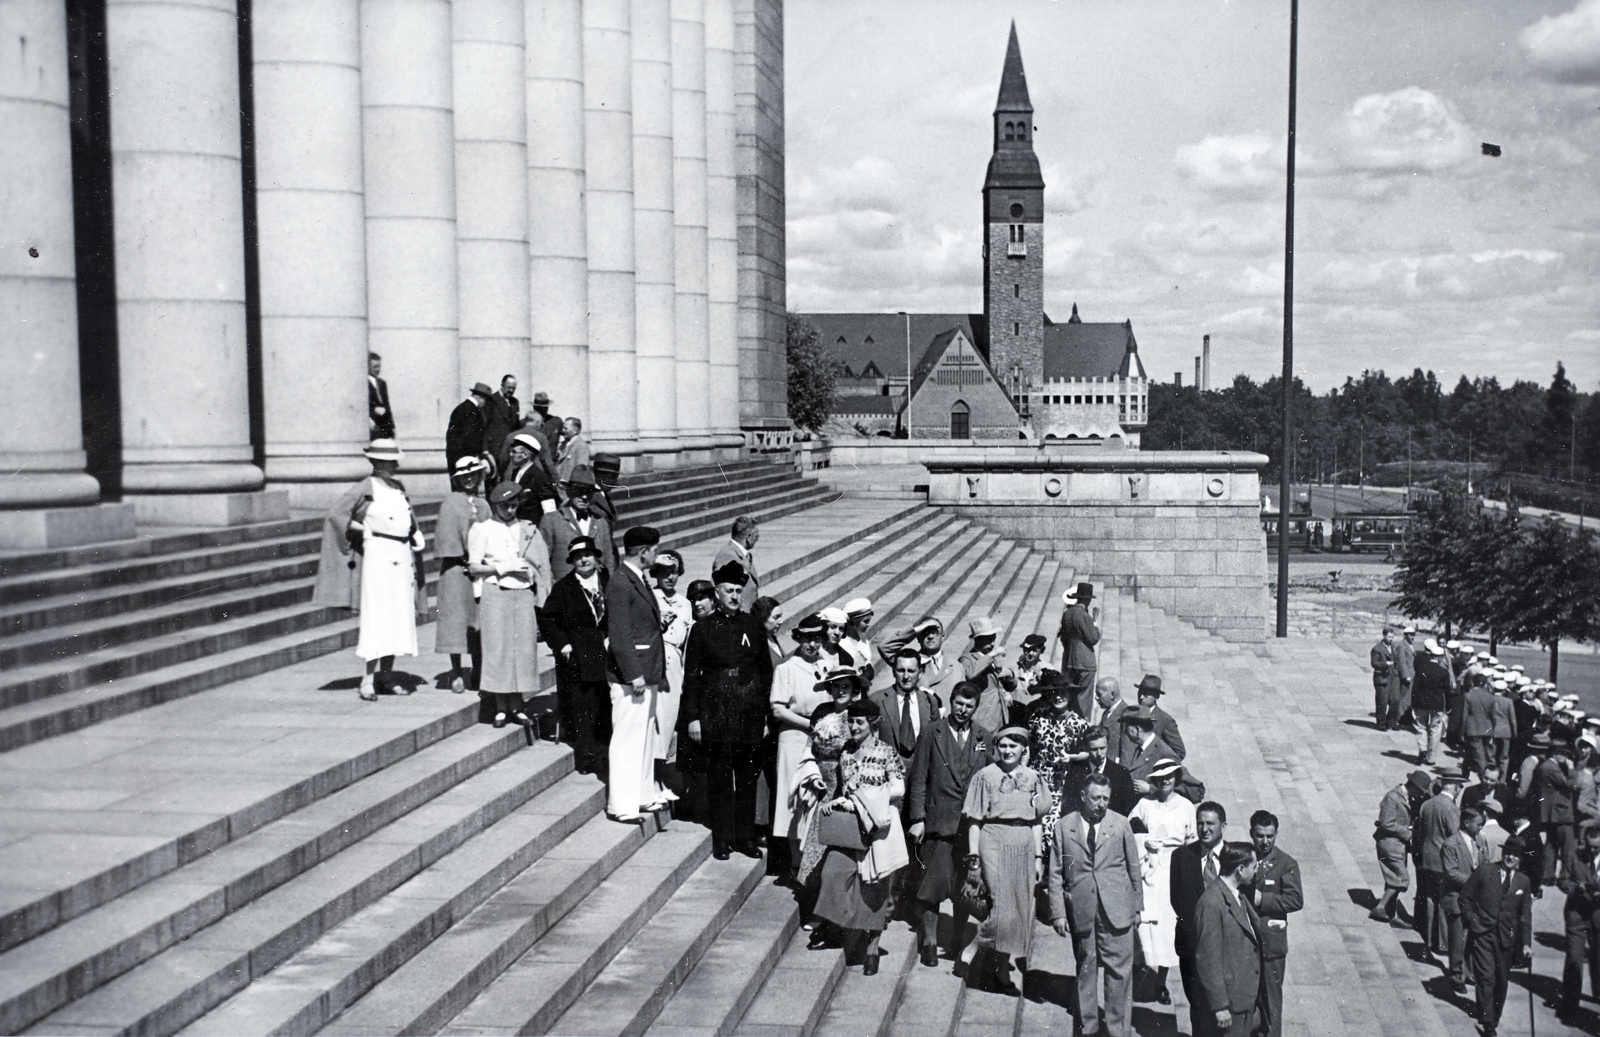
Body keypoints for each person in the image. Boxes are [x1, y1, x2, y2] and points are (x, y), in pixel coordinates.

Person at [312, 439, 426, 701]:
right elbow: (336, 514)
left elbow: (407, 516)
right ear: (376, 462)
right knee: (378, 616)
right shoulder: (365, 487)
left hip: (401, 554)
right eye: (388, 461)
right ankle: (368, 679)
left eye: (394, 460)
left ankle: (387, 674)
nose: (393, 465)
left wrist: (415, 533)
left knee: (398, 615)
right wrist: (363, 529)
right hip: (377, 556)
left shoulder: (398, 487)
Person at [680, 560, 775, 858]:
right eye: (728, 591)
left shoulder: (753, 626)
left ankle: (745, 836)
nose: (735, 596)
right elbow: (691, 678)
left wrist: (764, 718)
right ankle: (722, 837)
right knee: (720, 779)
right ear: (716, 593)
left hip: (748, 714)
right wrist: (693, 718)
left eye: (738, 590)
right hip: (716, 713)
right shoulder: (702, 628)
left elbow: (764, 675)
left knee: (747, 778)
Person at [810, 698, 908, 976]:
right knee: (833, 872)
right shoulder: (846, 752)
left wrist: (865, 799)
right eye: (850, 721)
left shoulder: (887, 752)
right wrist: (838, 802)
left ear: (873, 724)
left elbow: (899, 787)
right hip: (851, 828)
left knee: (875, 885)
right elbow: (844, 790)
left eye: (859, 722)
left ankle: (873, 946)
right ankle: (837, 927)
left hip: (879, 826)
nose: (853, 726)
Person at [1048, 772, 1143, 1035]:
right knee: (1085, 971)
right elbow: (1056, 872)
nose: (1102, 803)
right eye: (1096, 798)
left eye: (1106, 798)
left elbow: (1134, 867)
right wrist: (1058, 912)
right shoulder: (1064, 826)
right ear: (1083, 797)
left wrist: (1137, 908)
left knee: (1119, 975)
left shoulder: (1121, 824)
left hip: (1118, 910)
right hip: (1082, 909)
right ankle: (1087, 1028)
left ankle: (1117, 1031)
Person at [908, 681, 991, 967]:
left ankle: (956, 937)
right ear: (951, 701)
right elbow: (918, 778)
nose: (963, 710)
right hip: (938, 823)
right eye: (959, 703)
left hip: (969, 827)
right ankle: (929, 940)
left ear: (975, 708)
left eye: (969, 706)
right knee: (933, 885)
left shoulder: (984, 736)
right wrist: (918, 818)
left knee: (962, 886)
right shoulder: (932, 732)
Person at [966, 724, 1051, 996]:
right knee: (1002, 904)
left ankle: (1002, 970)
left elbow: (1037, 820)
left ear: (1024, 748)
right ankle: (975, 946)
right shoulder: (984, 776)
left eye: (1013, 745)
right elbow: (975, 820)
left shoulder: (1034, 777)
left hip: (1024, 843)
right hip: (993, 838)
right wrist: (974, 857)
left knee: (1019, 910)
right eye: (1003, 745)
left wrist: (1038, 857)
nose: (1007, 750)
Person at [467, 482, 551, 738]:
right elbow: (473, 567)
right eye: (506, 505)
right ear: (495, 505)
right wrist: (503, 569)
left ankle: (518, 704)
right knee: (498, 648)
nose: (511, 509)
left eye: (514, 504)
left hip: (523, 594)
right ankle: (501, 706)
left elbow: (540, 561)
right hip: (496, 593)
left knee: (522, 649)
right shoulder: (482, 529)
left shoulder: (526, 528)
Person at [605, 525, 676, 823]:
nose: (656, 555)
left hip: (647, 671)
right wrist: (633, 673)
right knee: (627, 740)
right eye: (655, 550)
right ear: (644, 551)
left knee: (645, 739)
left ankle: (643, 795)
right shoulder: (621, 582)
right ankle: (621, 805)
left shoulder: (635, 578)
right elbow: (619, 634)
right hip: (631, 677)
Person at [1128, 760, 1196, 1006]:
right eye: (1160, 777)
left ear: (1176, 779)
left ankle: (1161, 982)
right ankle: (1138, 978)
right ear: (1154, 782)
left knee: (1168, 928)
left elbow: (1191, 843)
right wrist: (1144, 841)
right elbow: (1130, 830)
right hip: (1148, 867)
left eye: (1170, 777)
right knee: (1144, 925)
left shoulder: (1186, 807)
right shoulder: (1145, 805)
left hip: (1174, 871)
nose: (1165, 781)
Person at [542, 535, 612, 775]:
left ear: (596, 558)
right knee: (584, 710)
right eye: (578, 557)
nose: (584, 560)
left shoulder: (606, 581)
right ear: (572, 561)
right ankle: (588, 757)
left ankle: (606, 754)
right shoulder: (564, 588)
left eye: (588, 556)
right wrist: (563, 645)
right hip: (580, 659)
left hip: (607, 655)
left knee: (605, 708)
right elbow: (547, 619)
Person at [770, 615, 833, 864]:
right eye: (807, 640)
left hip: (823, 739)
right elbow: (778, 708)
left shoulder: (828, 664)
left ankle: (814, 859)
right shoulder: (786, 668)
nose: (812, 645)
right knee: (794, 799)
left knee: (817, 796)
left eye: (817, 639)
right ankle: (796, 861)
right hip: (795, 737)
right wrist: (810, 724)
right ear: (799, 640)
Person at [1459, 836, 1533, 1037]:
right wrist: (1472, 920)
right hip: (1482, 933)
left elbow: (1525, 915)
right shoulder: (1485, 871)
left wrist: (1526, 943)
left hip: (1507, 935)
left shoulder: (1523, 882)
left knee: (1501, 980)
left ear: (1520, 859)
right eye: (1508, 853)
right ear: (1502, 853)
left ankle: (1494, 1015)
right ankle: (1487, 1021)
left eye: (1515, 855)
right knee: (1486, 977)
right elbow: (1465, 897)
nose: (1510, 857)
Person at [1193, 841, 1264, 1037]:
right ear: (1240, 869)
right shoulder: (1212, 903)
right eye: (1254, 866)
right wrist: (1219, 1006)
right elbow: (1208, 958)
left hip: (1242, 1000)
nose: (1256, 871)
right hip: (1229, 1006)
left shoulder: (1237, 895)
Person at [1172, 801, 1228, 1037]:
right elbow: (1177, 899)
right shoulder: (1182, 856)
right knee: (1199, 1010)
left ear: (1223, 826)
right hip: (1193, 946)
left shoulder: (1236, 857)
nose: (1204, 828)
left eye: (1210, 823)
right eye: (1200, 823)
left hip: (1227, 949)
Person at [1244, 810, 1302, 1037]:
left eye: (1270, 836)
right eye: (1260, 836)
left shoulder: (1286, 863)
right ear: (1252, 834)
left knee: (1271, 1001)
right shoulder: (1244, 857)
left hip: (1271, 944)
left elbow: (1295, 899)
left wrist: (1263, 900)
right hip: (1246, 940)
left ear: (1276, 834)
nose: (1265, 841)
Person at [434, 456, 488, 694]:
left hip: (479, 569)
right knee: (455, 621)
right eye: (465, 476)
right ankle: (456, 672)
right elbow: (446, 537)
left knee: (478, 621)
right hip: (456, 568)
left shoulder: (484, 504)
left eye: (473, 475)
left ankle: (477, 669)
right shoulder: (451, 503)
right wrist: (463, 554)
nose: (469, 479)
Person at [1027, 671, 1091, 850]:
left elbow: (1089, 753)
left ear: (1069, 695)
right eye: (1054, 693)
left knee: (1052, 828)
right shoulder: (1039, 717)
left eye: (1062, 692)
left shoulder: (1079, 723)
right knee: (1034, 823)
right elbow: (1029, 745)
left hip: (1060, 783)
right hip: (1037, 779)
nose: (1058, 697)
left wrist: (1070, 757)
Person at [1442, 804, 1493, 996]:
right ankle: (1456, 976)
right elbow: (1451, 873)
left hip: (1474, 902)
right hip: (1455, 899)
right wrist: (1475, 883)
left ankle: (1468, 972)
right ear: (1467, 822)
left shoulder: (1479, 841)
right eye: (1479, 825)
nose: (1481, 828)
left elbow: (1485, 863)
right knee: (1457, 939)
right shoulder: (1450, 844)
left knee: (1472, 937)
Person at [1370, 770, 1431, 922]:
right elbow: (1386, 823)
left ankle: (1391, 913)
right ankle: (1380, 907)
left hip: (1397, 845)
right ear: (1413, 786)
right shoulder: (1392, 798)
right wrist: (1408, 833)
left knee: (1393, 878)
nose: (1421, 795)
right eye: (1420, 791)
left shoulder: (1406, 797)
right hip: (1389, 844)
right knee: (1401, 879)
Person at [542, 465, 617, 581]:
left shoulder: (600, 522)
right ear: (569, 491)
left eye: (589, 492)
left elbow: (609, 560)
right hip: (564, 592)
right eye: (579, 491)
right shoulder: (551, 521)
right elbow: (542, 561)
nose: (584, 497)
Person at [653, 550, 692, 763]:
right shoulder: (650, 597)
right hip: (655, 659)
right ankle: (653, 777)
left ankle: (663, 773)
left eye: (675, 572)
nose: (670, 577)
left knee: (670, 717)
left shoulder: (684, 603)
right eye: (665, 572)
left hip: (676, 663)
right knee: (654, 719)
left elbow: (686, 641)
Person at [1558, 819, 1600, 1018]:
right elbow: (1562, 880)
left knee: (1598, 960)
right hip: (1577, 916)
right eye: (1590, 847)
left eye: (1597, 848)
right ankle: (1569, 1006)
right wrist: (1576, 888)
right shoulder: (1574, 856)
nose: (1593, 852)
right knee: (1574, 961)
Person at [1415, 774, 1459, 956]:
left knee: (1429, 899)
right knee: (1443, 900)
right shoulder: (1450, 808)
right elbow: (1455, 837)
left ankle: (1427, 937)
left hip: (1427, 858)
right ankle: (1442, 942)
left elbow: (1421, 830)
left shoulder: (1427, 804)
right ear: (1455, 787)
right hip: (1443, 861)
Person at [871, 648, 939, 762]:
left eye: (911, 671)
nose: (906, 676)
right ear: (893, 671)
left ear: (920, 673)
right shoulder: (877, 700)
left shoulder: (930, 701)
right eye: (901, 670)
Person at [877, 616, 961, 706]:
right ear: (918, 638)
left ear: (943, 636)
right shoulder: (908, 662)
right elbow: (885, 647)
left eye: (935, 632)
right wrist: (916, 630)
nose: (930, 636)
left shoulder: (956, 666)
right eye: (925, 632)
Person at [1065, 726, 1138, 819]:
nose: (1099, 754)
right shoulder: (1075, 772)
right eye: (1094, 749)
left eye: (1102, 748)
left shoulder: (1121, 774)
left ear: (1108, 745)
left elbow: (1128, 810)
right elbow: (1068, 809)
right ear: (1086, 748)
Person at [959, 616, 1012, 733]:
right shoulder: (967, 658)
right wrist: (991, 655)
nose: (993, 643)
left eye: (994, 639)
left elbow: (998, 682)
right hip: (982, 717)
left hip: (998, 714)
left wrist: (1010, 675)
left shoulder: (989, 656)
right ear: (977, 640)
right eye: (989, 640)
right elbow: (969, 674)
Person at [1537, 737, 1578, 888]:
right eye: (1564, 754)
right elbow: (1571, 785)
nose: (1566, 758)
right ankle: (1564, 878)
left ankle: (1548, 875)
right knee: (1568, 847)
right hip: (1561, 813)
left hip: (1552, 813)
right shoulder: (1551, 767)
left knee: (1551, 845)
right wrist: (1572, 768)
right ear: (1556, 753)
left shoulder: (1545, 766)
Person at [1057, 582, 1101, 718]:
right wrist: (1094, 623)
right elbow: (1093, 638)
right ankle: (1082, 725)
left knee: (1071, 696)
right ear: (1087, 599)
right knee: (1084, 698)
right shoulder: (1084, 616)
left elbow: (1063, 638)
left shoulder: (1067, 614)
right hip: (1085, 662)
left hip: (1069, 660)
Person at [1412, 640, 1452, 765]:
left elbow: (1415, 688)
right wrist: (1449, 706)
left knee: (1420, 727)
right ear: (1440, 658)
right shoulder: (1443, 672)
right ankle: (1430, 757)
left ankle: (1422, 749)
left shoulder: (1421, 669)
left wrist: (1413, 703)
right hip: (1437, 704)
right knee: (1435, 729)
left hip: (1421, 703)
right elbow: (1447, 691)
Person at [1130, 674, 1186, 761]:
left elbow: (1179, 751)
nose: (1141, 697)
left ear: (1156, 697)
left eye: (1146, 694)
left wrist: (1160, 766)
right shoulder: (1131, 714)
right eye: (1140, 693)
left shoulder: (1165, 720)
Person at [505, 433, 558, 522]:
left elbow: (550, 513)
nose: (510, 454)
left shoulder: (540, 477)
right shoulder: (515, 473)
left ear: (526, 455)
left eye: (514, 451)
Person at [711, 517, 761, 611]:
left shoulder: (743, 554)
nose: (757, 539)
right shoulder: (727, 555)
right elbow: (720, 590)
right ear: (748, 537)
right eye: (756, 536)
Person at [445, 382, 492, 471]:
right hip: (465, 462)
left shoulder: (461, 408)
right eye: (486, 400)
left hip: (455, 460)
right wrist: (477, 459)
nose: (485, 403)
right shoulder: (473, 412)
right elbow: (470, 439)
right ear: (480, 397)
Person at [1462, 675, 1497, 779]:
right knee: (1472, 752)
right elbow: (1494, 716)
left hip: (1472, 730)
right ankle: (1465, 773)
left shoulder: (1468, 696)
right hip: (1487, 729)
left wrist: (1462, 732)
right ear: (1485, 684)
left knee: (1479, 757)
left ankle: (1484, 778)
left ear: (1472, 683)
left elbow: (1464, 716)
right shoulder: (1490, 697)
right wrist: (1492, 730)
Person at [483, 374, 520, 470]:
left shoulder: (515, 402)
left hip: (510, 451)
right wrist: (485, 450)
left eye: (513, 388)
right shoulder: (491, 400)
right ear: (502, 385)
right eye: (509, 387)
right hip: (494, 450)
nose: (511, 390)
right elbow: (484, 426)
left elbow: (516, 426)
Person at [1371, 627, 1401, 731]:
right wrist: (1384, 664)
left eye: (1392, 637)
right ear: (1384, 636)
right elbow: (1374, 663)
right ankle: (1381, 723)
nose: (1391, 639)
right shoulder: (1377, 649)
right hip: (1382, 679)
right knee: (1382, 702)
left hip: (1393, 678)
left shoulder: (1392, 647)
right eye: (1389, 637)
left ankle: (1391, 721)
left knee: (1395, 700)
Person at [838, 598, 876, 682]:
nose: (868, 625)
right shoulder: (841, 642)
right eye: (865, 621)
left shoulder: (863, 638)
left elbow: (868, 660)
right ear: (853, 622)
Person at [1490, 681, 1518, 779]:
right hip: (1506, 731)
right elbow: (1512, 719)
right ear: (1504, 690)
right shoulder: (1508, 701)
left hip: (1492, 731)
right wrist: (1514, 733)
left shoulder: (1490, 700)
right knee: (1504, 757)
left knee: (1491, 756)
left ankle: (1491, 775)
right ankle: (1502, 779)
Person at [555, 416, 591, 484]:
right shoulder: (563, 445)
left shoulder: (581, 446)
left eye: (566, 428)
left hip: (570, 487)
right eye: (563, 428)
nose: (563, 430)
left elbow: (581, 470)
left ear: (575, 430)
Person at [367, 352, 395, 439]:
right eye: (375, 367)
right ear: (368, 367)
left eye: (379, 366)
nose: (378, 369)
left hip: (385, 425)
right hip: (374, 425)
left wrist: (392, 426)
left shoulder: (382, 383)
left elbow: (387, 405)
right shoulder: (364, 384)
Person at [1396, 625, 1417, 729]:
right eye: (1410, 635)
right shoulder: (1402, 646)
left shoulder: (1410, 645)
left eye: (1414, 635)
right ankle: (1400, 717)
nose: (1412, 637)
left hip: (1413, 675)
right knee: (1405, 698)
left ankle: (1407, 716)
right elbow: (1402, 662)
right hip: (1408, 676)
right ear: (1405, 635)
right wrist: (1406, 676)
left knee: (1409, 698)